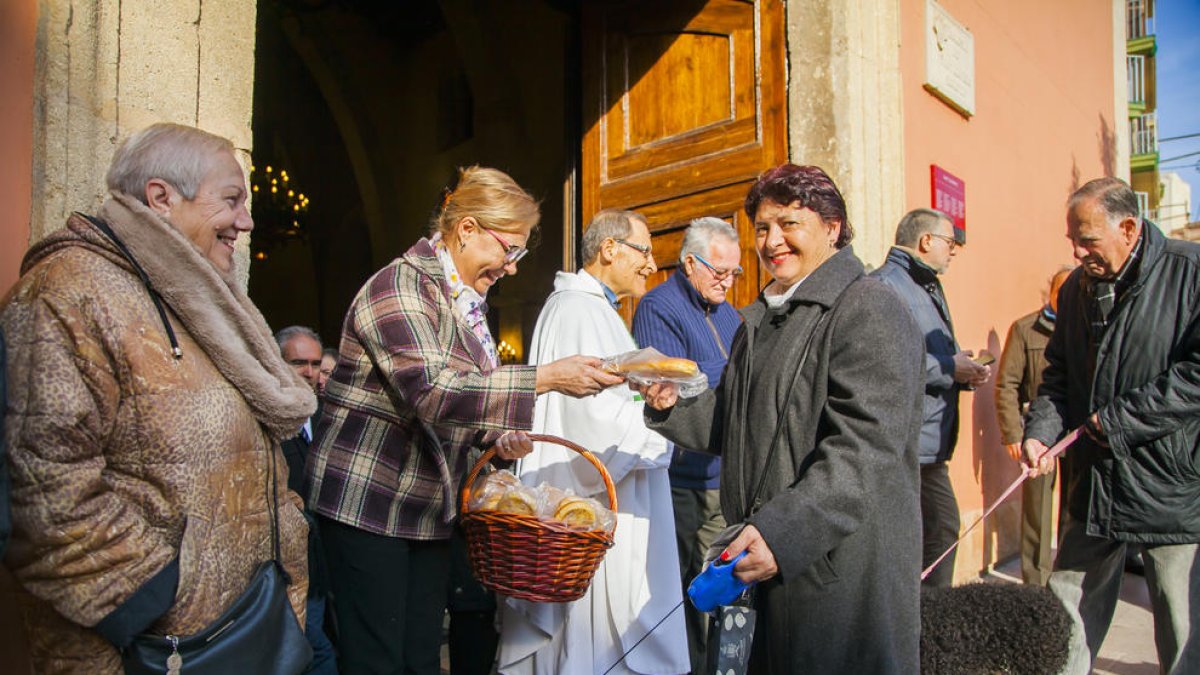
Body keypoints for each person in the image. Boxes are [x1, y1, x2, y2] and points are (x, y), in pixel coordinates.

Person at [0, 123, 314, 673]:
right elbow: (45, 483)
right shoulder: (68, 290)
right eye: (231, 200)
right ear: (162, 197)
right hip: (149, 646)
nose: (246, 221)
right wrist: (155, 596)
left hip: (240, 627)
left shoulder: (194, 296)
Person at [305, 166, 622, 675]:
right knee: (376, 659)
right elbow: (431, 391)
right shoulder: (400, 285)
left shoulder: (466, 303)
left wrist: (496, 436)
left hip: (426, 509)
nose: (512, 268)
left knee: (420, 658)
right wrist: (544, 378)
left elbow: (465, 400)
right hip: (368, 501)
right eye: (509, 250)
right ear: (467, 229)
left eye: (519, 254)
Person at [638, 164, 925, 673]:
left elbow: (865, 450)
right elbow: (734, 420)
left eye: (789, 224)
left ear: (833, 227)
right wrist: (671, 405)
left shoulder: (868, 307)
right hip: (767, 561)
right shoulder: (761, 319)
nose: (772, 241)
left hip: (837, 573)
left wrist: (782, 533)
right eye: (763, 228)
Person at [499, 209, 689, 675]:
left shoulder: (595, 308)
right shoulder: (577, 309)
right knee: (593, 641)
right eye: (644, 251)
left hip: (611, 491)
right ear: (609, 249)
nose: (652, 264)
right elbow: (592, 423)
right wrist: (661, 417)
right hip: (592, 500)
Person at [1023, 177, 1200, 674]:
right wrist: (1041, 432)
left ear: (1128, 228)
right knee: (1066, 613)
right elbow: (1059, 375)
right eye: (1072, 240)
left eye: (1088, 240)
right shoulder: (1076, 288)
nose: (1078, 252)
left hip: (1169, 484)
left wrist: (1120, 419)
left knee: (1181, 622)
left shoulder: (1190, 272)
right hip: (1094, 481)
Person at [630, 216, 742, 674]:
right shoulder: (658, 306)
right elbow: (668, 381)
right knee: (685, 594)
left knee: (721, 591)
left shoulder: (729, 313)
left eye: (734, 272)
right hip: (683, 478)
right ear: (690, 263)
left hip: (725, 475)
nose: (728, 282)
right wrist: (733, 371)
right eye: (720, 271)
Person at [872, 208, 991, 588]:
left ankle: (923, 615)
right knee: (938, 530)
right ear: (926, 241)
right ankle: (924, 617)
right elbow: (882, 362)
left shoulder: (923, 285)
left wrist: (962, 370)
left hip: (927, 443)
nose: (954, 250)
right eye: (950, 242)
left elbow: (924, 355)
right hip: (906, 444)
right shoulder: (887, 285)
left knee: (936, 533)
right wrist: (949, 367)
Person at [994, 267, 1072, 586]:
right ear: (1050, 292)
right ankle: (1035, 582)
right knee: (1037, 512)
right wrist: (1012, 433)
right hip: (1039, 434)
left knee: (1074, 511)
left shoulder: (1083, 330)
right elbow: (1007, 384)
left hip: (1076, 434)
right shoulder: (1025, 329)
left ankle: (1066, 578)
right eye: (1060, 291)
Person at [276, 325, 338, 674]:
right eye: (299, 362)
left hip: (326, 562)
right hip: (286, 565)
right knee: (314, 651)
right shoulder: (266, 418)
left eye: (315, 363)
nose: (310, 372)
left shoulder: (327, 417)